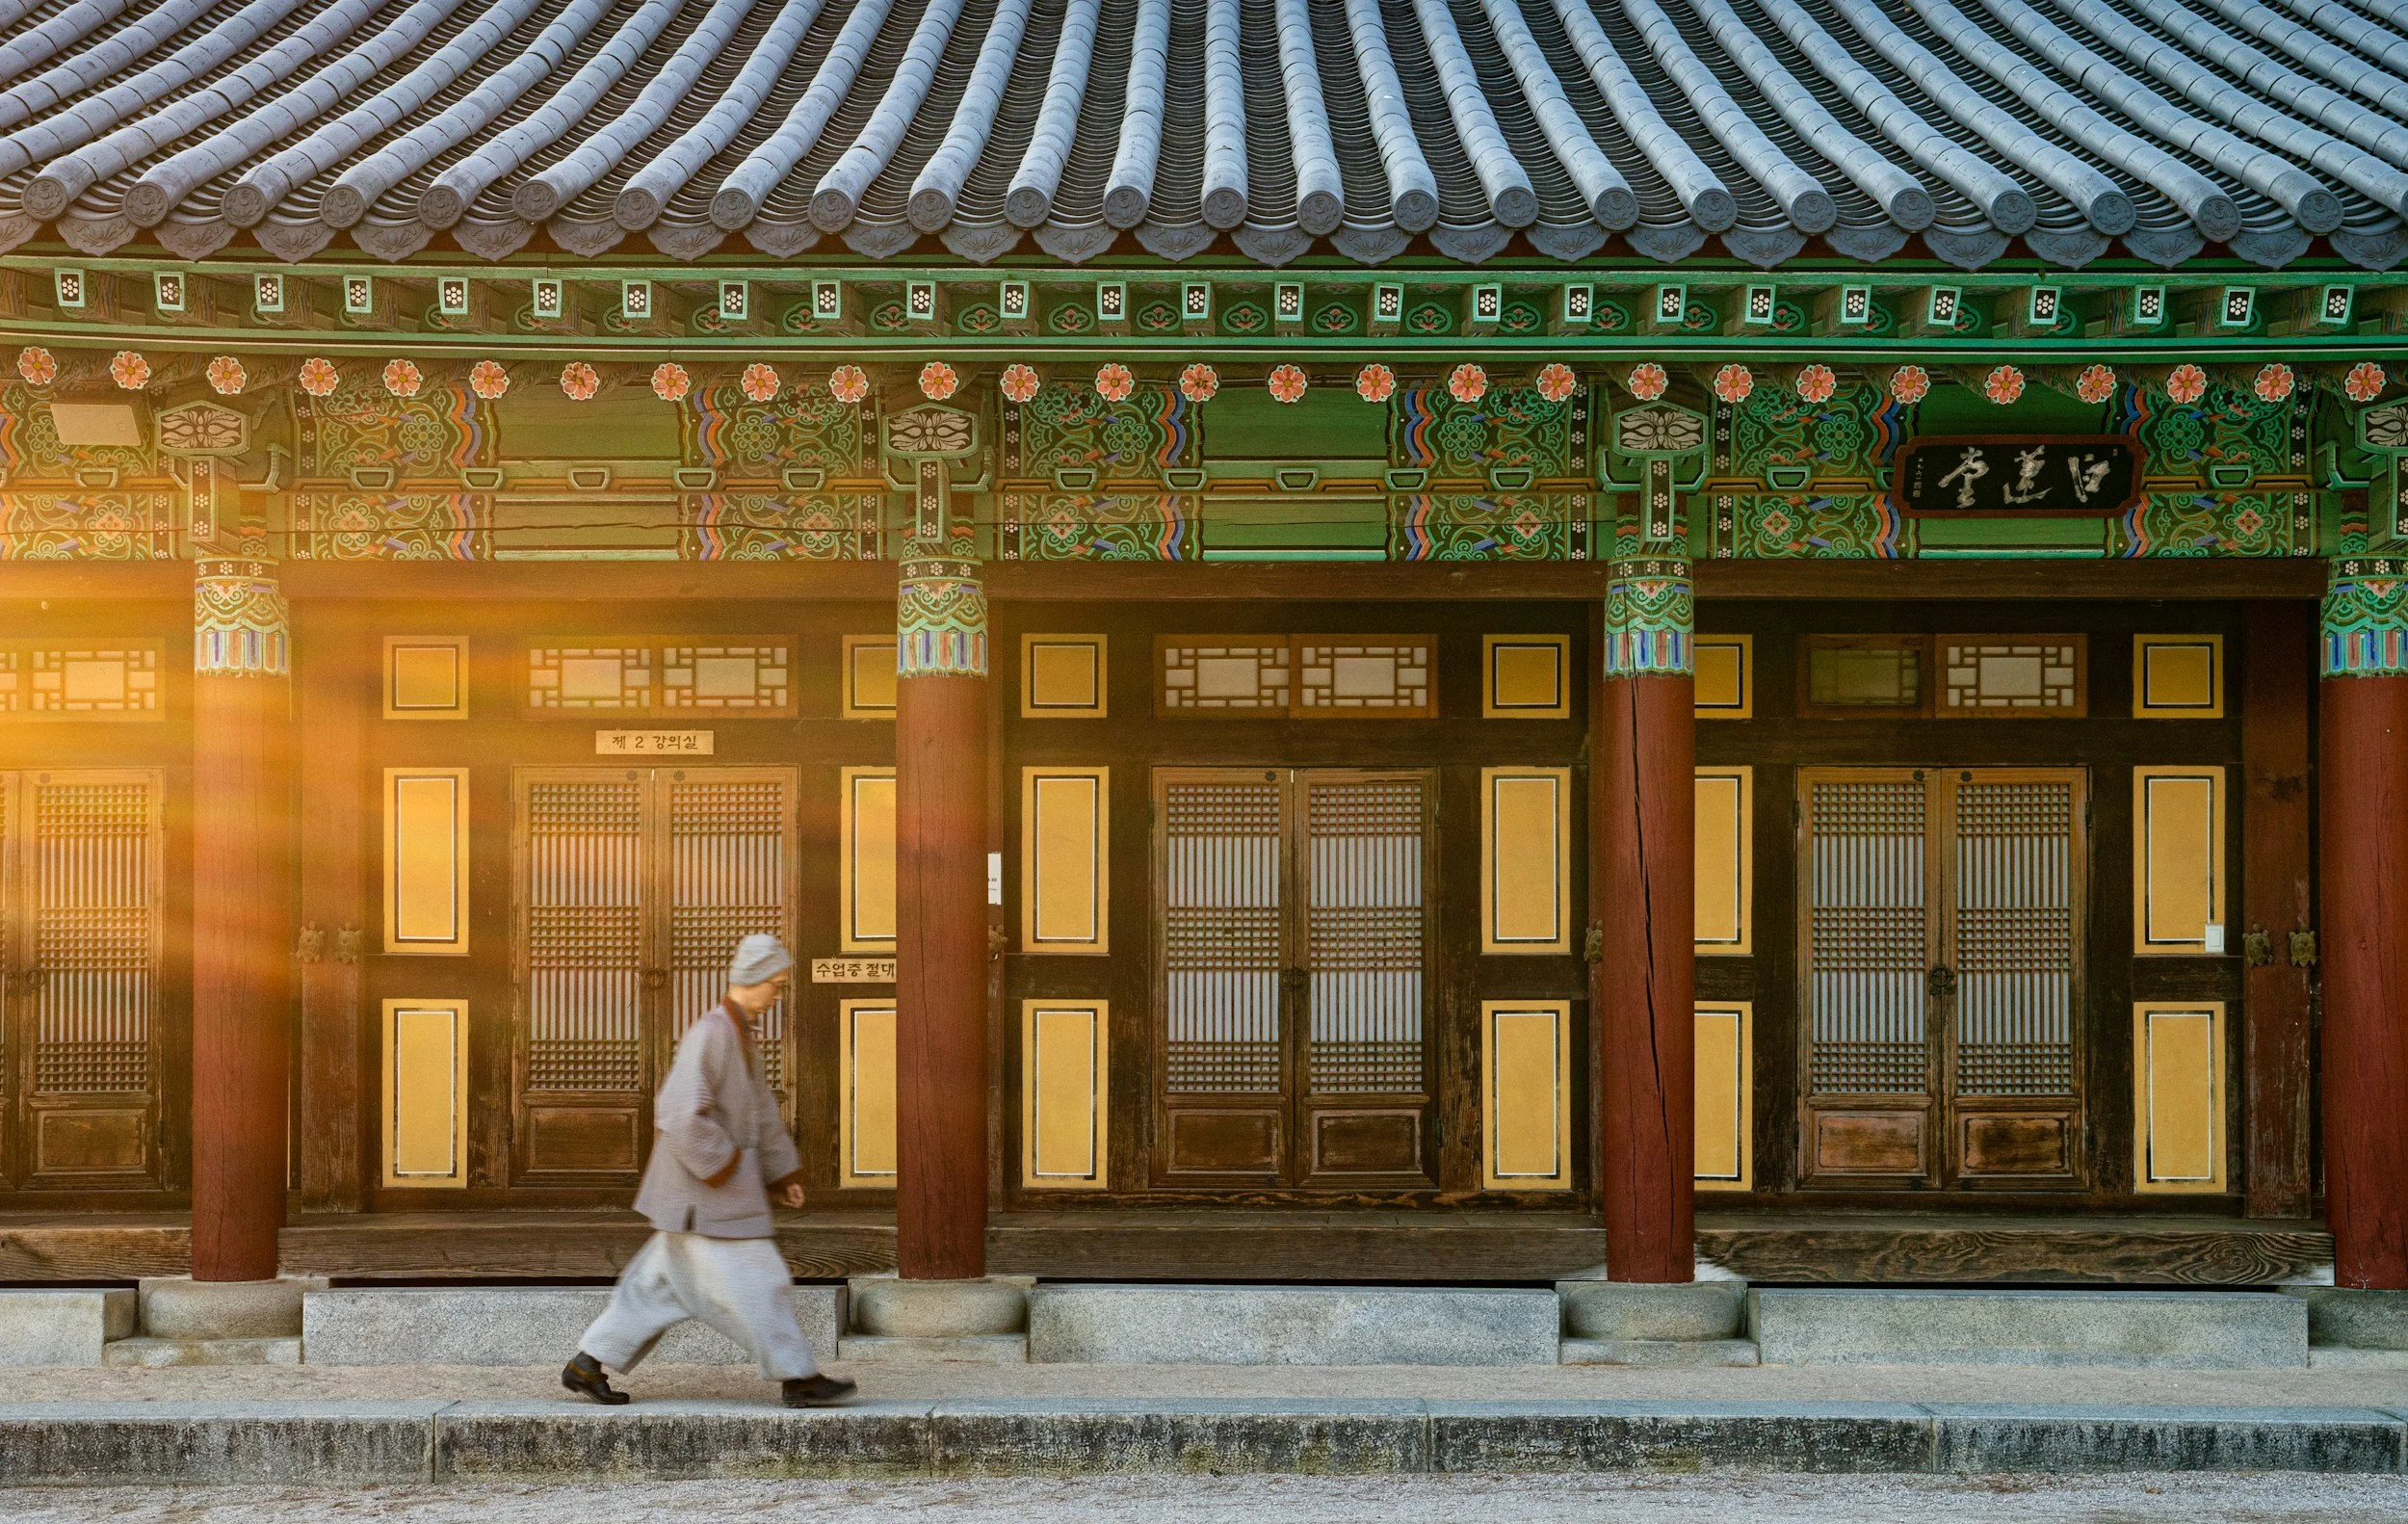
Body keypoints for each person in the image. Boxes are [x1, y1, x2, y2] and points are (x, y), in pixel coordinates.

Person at [562, 933, 855, 1407]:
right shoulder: (713, 1033)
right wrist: (728, 1166)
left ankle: (585, 1364)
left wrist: (784, 1174)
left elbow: (760, 1112)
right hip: (706, 1194)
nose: (777, 995)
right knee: (763, 1281)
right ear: (754, 979)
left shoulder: (739, 1036)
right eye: (776, 985)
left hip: (698, 1194)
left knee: (653, 1288)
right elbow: (678, 1113)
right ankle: (799, 1377)